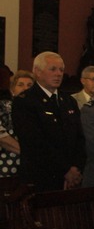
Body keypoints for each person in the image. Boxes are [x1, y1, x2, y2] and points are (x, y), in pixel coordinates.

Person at [11, 52, 86, 192]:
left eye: (61, 70)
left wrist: (76, 168)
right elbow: (34, 143)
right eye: (53, 69)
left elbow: (79, 138)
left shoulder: (69, 101)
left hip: (71, 178)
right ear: (37, 72)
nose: (58, 74)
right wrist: (65, 170)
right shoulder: (25, 101)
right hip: (41, 178)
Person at [0, 71, 35, 177]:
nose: (25, 88)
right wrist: (30, 154)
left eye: (29, 85)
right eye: (20, 85)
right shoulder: (3, 107)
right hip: (6, 166)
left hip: (33, 169)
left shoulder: (40, 110)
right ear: (12, 90)